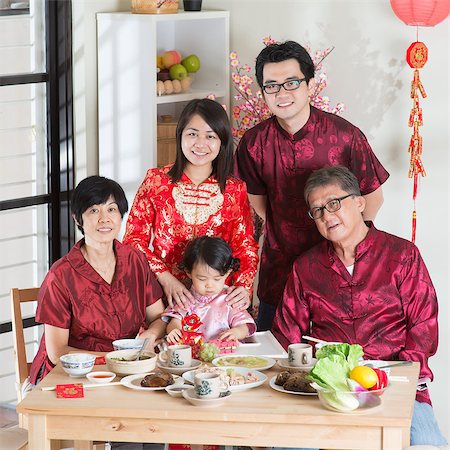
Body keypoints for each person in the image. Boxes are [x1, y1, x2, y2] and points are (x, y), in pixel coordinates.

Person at [273, 166, 446, 447]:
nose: (327, 216)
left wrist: (393, 374)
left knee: (426, 442)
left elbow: (424, 326)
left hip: (395, 386)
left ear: (359, 202)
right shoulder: (306, 267)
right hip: (326, 389)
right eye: (317, 210)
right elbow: (288, 336)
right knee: (286, 444)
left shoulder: (402, 255)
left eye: (334, 203)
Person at [234, 40, 390, 331]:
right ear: (263, 91)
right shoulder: (254, 143)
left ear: (310, 85)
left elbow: (372, 196)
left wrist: (346, 240)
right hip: (280, 271)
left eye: (291, 82)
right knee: (276, 365)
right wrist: (285, 228)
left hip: (341, 272)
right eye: (272, 86)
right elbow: (255, 201)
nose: (282, 93)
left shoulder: (344, 136)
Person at [123, 98, 258, 311]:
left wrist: (244, 286)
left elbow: (245, 246)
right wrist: (165, 278)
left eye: (210, 136)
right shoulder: (156, 181)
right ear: (180, 136)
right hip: (163, 297)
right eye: (192, 134)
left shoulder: (235, 189)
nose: (200, 144)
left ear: (222, 141)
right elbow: (133, 240)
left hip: (217, 301)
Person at [29, 176, 166, 384]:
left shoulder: (135, 260)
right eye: (94, 210)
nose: (104, 219)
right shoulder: (60, 275)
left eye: (111, 209)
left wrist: (151, 334)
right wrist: (113, 360)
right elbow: (57, 352)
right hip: (71, 373)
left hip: (125, 371)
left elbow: (159, 317)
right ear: (77, 218)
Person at [163, 236, 256, 344]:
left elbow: (246, 325)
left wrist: (237, 332)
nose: (209, 285)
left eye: (217, 279)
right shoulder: (185, 297)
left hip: (224, 354)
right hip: (192, 354)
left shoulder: (229, 298)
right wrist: (174, 330)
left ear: (227, 273)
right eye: (202, 279)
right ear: (189, 273)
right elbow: (175, 321)